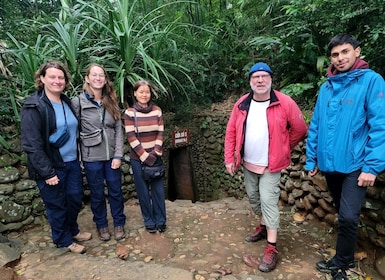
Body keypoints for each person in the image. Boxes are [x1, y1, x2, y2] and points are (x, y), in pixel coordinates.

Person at [306, 34, 385, 280]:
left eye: (345, 52)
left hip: (355, 164)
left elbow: (380, 125)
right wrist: (311, 159)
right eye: (335, 54)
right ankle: (345, 256)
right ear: (330, 58)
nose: (340, 58)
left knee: (349, 216)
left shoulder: (371, 81)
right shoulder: (327, 87)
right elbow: (316, 125)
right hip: (330, 164)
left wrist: (372, 167)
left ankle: (342, 262)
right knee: (343, 212)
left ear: (357, 52)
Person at [224, 62, 307, 272]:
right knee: (254, 198)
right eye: (255, 77)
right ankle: (263, 225)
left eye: (264, 76)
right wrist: (229, 159)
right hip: (248, 164)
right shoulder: (242, 104)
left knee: (268, 201)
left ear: (271, 79)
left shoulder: (284, 103)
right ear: (250, 81)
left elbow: (299, 128)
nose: (260, 80)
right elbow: (231, 132)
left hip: (271, 166)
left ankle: (271, 248)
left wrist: (284, 147)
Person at [21, 60, 91, 254]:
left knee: (75, 199)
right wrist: (47, 172)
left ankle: (72, 230)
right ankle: (63, 239)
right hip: (52, 166)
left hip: (71, 163)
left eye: (61, 77)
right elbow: (31, 145)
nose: (57, 81)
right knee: (57, 205)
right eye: (52, 77)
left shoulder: (66, 101)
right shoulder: (34, 106)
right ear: (42, 78)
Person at [71, 63, 126, 241]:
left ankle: (119, 223)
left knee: (116, 191)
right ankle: (101, 225)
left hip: (111, 157)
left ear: (105, 79)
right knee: (97, 193)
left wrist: (118, 154)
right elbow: (74, 132)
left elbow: (118, 130)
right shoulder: (78, 102)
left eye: (101, 75)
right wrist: (79, 157)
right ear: (87, 78)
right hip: (91, 157)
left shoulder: (111, 100)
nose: (98, 78)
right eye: (94, 75)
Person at [124, 80, 166, 233]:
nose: (144, 94)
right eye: (140, 92)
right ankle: (149, 221)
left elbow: (161, 132)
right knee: (143, 192)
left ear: (150, 93)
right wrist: (144, 156)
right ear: (135, 93)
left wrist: (155, 152)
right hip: (138, 160)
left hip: (156, 156)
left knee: (158, 191)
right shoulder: (129, 113)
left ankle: (161, 220)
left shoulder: (157, 111)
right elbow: (131, 136)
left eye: (146, 92)